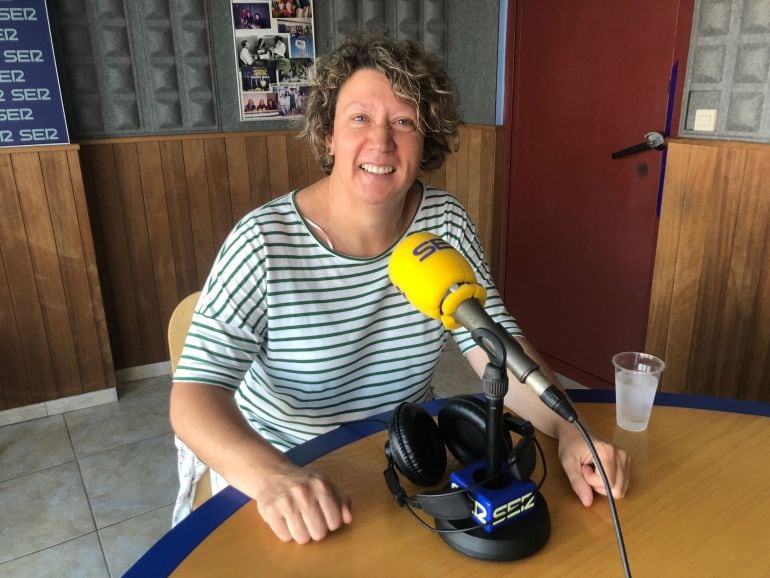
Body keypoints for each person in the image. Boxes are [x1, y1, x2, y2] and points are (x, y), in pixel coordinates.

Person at [170, 31, 630, 544]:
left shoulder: (444, 221)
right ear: (328, 135)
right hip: (293, 472)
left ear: (425, 139)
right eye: (359, 118)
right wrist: (274, 476)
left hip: (411, 459)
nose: (381, 142)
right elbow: (193, 399)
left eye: (403, 122)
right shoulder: (262, 242)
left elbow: (493, 343)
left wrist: (570, 431)